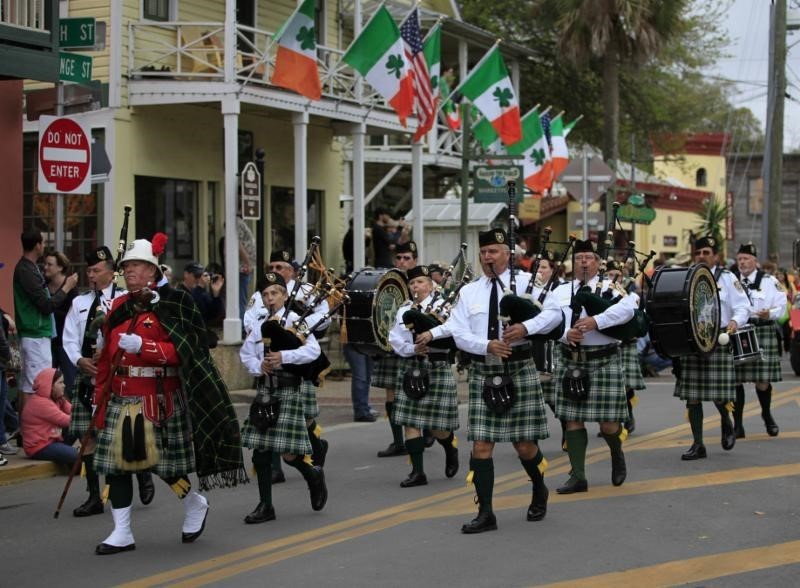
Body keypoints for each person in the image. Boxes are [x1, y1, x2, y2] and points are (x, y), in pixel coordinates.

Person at [91, 235, 246, 555]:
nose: (129, 271)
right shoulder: (119, 306)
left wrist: (144, 348)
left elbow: (187, 350)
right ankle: (121, 531)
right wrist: (99, 397)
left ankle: (194, 503)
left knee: (165, 466)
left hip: (157, 399)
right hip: (121, 395)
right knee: (116, 467)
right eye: (126, 266)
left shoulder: (175, 302)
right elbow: (106, 358)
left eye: (135, 266)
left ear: (151, 270)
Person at [445, 228, 562, 533]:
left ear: (507, 254)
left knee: (524, 446)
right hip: (485, 370)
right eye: (484, 252)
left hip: (519, 367)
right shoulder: (469, 292)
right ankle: (486, 513)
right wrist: (486, 346)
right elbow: (458, 332)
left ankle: (539, 486)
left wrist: (526, 327)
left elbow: (554, 315)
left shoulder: (526, 283)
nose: (487, 257)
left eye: (493, 251)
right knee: (481, 446)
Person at [63, 246, 155, 517]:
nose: (91, 276)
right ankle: (94, 496)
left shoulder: (127, 300)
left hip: (116, 376)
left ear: (110, 272)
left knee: (125, 435)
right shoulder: (79, 303)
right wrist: (80, 361)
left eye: (96, 270)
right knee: (86, 435)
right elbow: (69, 338)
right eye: (88, 271)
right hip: (86, 375)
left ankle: (142, 474)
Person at [238, 272, 328, 524]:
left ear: (285, 295)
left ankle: (313, 474)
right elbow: (245, 354)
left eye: (274, 293)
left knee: (288, 454)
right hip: (265, 390)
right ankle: (266, 505)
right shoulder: (258, 324)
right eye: (266, 295)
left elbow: (313, 351)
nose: (270, 299)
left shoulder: (296, 321)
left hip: (288, 389)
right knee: (260, 452)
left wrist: (284, 358)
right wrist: (259, 367)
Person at [551, 239, 638, 495]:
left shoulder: (612, 288)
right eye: (579, 258)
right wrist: (565, 335)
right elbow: (547, 322)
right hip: (571, 359)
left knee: (608, 425)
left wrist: (596, 321)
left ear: (598, 262)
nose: (584, 261)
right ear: (573, 262)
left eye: (589, 257)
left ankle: (616, 452)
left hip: (603, 359)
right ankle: (578, 475)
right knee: (573, 421)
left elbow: (628, 311)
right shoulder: (559, 292)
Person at [674, 236, 750, 461]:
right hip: (693, 340)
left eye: (706, 252)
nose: (701, 256)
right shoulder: (687, 277)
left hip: (719, 338)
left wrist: (736, 321)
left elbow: (742, 305)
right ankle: (698, 444)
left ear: (715, 255)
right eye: (698, 252)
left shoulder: (726, 277)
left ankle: (726, 420)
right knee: (693, 397)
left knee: (718, 394)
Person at [389, 265, 460, 487]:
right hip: (412, 366)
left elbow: (454, 331)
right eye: (412, 284)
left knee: (438, 427)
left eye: (420, 282)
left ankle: (450, 446)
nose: (415, 287)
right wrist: (412, 350)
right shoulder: (403, 310)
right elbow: (395, 339)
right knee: (410, 422)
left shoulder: (445, 306)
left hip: (437, 365)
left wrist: (432, 333)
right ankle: (417, 472)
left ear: (431, 285)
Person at [13, 229, 79, 417]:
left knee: (29, 386)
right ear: (37, 245)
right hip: (35, 334)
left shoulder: (29, 268)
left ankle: (28, 430)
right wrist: (66, 288)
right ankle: (35, 429)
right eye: (42, 243)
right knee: (38, 385)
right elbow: (46, 305)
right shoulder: (26, 269)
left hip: (37, 334)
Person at [732, 243, 784, 438]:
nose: (742, 262)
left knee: (762, 380)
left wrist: (768, 313)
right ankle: (738, 424)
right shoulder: (731, 280)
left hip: (762, 330)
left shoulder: (769, 281)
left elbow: (782, 306)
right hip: (738, 331)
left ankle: (767, 415)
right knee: (736, 380)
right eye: (740, 259)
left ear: (755, 261)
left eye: (746, 259)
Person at [373, 240, 418, 457]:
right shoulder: (387, 281)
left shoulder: (421, 279)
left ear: (415, 260)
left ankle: (423, 430)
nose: (402, 262)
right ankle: (398, 441)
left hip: (416, 345)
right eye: (399, 258)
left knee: (418, 389)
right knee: (391, 391)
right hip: (391, 342)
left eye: (407, 258)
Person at [21, 367, 77, 465]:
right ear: (49, 386)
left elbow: (75, 412)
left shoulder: (57, 398)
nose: (64, 385)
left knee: (79, 428)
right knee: (77, 455)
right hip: (38, 447)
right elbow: (67, 420)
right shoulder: (41, 402)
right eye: (60, 383)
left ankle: (67, 453)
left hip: (51, 440)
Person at [44, 250, 80, 393]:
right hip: (48, 341)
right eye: (45, 263)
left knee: (69, 383)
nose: (45, 267)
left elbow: (73, 315)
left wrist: (50, 312)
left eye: (49, 264)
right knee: (47, 383)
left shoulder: (71, 287)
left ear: (60, 268)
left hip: (65, 342)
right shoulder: (44, 285)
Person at [237, 215, 257, 325]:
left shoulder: (241, 222)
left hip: (246, 268)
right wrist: (247, 263)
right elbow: (237, 244)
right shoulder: (236, 222)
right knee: (242, 300)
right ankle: (241, 327)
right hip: (242, 269)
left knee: (244, 298)